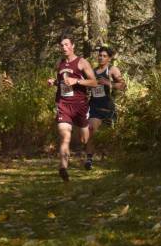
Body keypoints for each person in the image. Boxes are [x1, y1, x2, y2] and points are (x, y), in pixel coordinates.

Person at [47, 30, 97, 183]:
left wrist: (77, 81)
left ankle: (89, 156)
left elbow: (94, 82)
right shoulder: (60, 63)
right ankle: (63, 168)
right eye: (61, 45)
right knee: (65, 136)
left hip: (80, 105)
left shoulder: (82, 62)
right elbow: (63, 83)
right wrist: (53, 82)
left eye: (66, 44)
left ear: (73, 46)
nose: (64, 47)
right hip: (64, 105)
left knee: (84, 138)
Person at [84, 45, 126, 169]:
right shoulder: (92, 71)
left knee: (109, 136)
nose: (101, 58)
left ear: (109, 58)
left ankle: (108, 158)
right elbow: (86, 86)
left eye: (104, 56)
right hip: (94, 107)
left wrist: (109, 83)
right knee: (91, 131)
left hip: (108, 107)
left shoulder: (112, 70)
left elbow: (123, 86)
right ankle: (89, 160)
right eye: (100, 55)